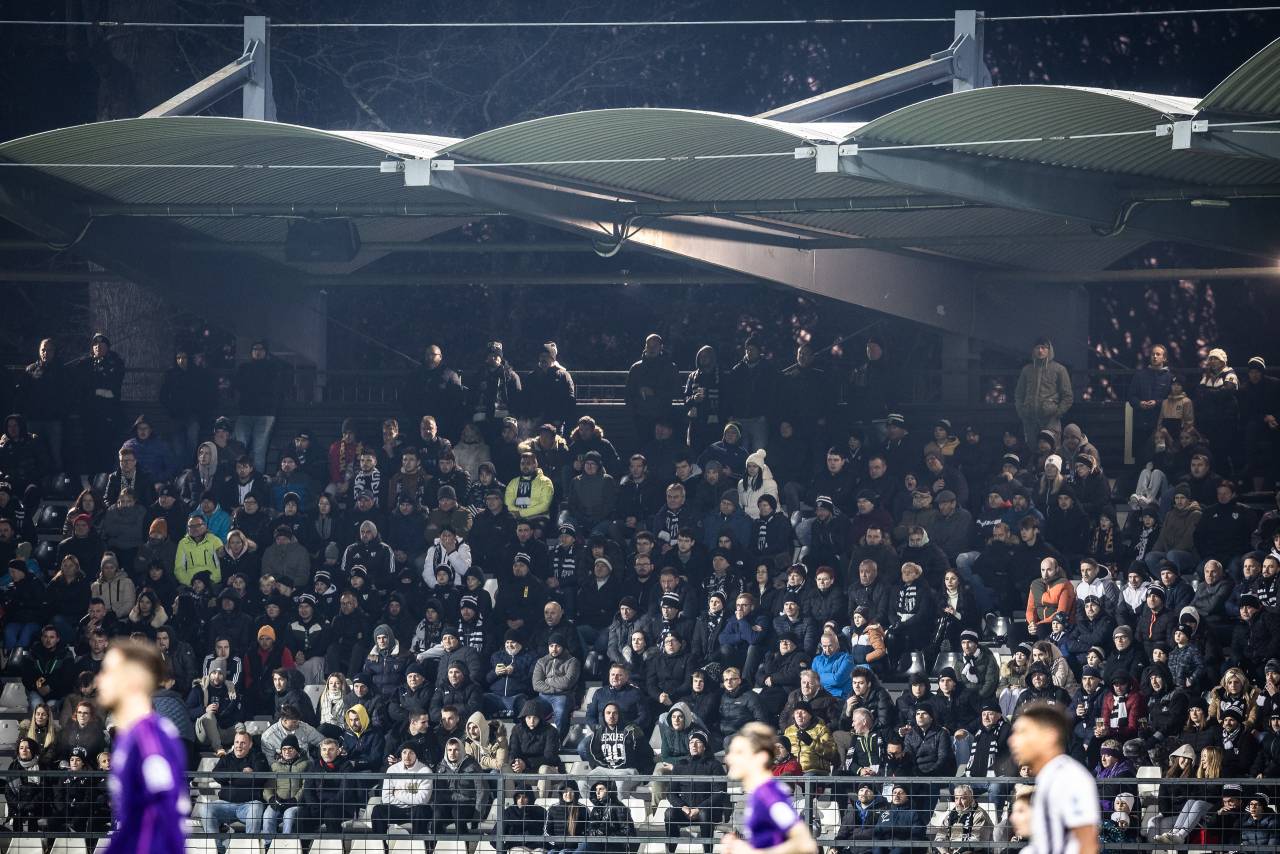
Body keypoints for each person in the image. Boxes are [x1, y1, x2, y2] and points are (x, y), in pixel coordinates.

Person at [97, 638, 188, 854]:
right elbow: (134, 825)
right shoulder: (133, 735)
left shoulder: (149, 739)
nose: (99, 679)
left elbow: (159, 821)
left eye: (108, 671)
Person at [1009, 702, 1099, 854]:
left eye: (1023, 732)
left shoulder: (1069, 777)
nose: (1012, 741)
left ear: (1049, 736)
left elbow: (1086, 844)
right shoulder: (1048, 776)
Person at [719, 721, 819, 854]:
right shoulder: (760, 793)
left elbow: (805, 844)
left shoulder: (770, 795)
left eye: (739, 753)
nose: (728, 758)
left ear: (760, 757)